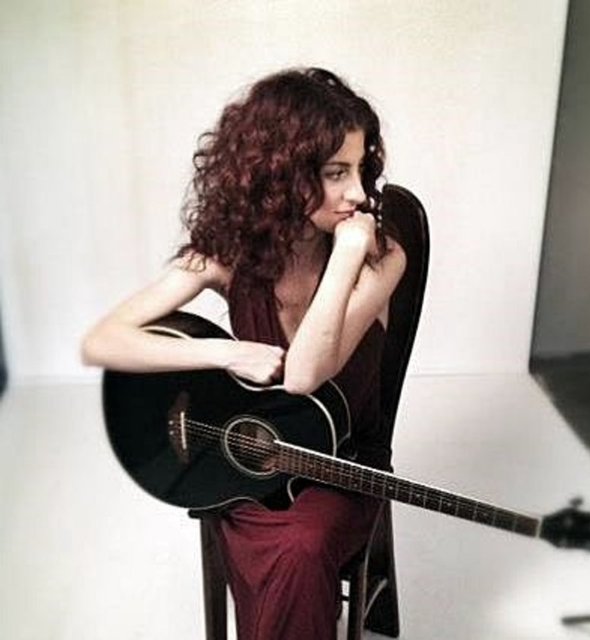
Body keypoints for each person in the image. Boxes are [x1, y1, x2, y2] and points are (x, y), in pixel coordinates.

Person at [82, 67, 406, 640]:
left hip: (344, 463)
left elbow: (304, 374)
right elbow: (103, 340)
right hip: (253, 463)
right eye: (336, 173)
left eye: (361, 170)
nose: (358, 194)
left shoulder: (380, 258)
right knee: (288, 548)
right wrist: (221, 354)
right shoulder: (229, 254)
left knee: (301, 547)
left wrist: (346, 256)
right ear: (282, 172)